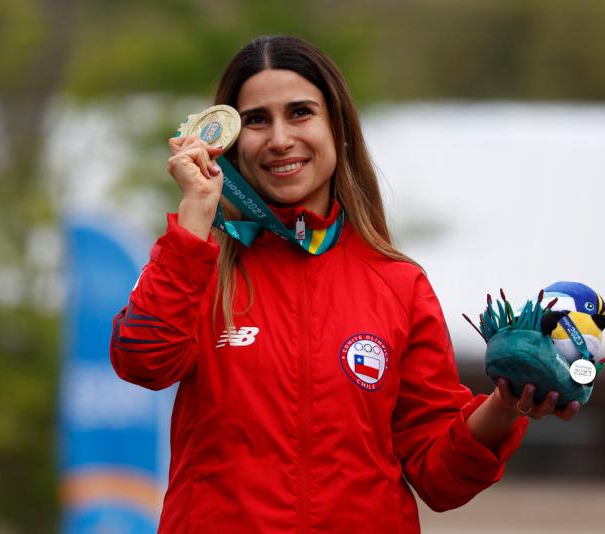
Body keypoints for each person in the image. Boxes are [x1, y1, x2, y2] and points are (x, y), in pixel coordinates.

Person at [110, 35, 579, 533]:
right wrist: (196, 217)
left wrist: (505, 405)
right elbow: (144, 362)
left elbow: (440, 477)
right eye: (256, 120)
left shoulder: (399, 284)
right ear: (226, 141)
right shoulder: (197, 263)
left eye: (300, 113)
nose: (279, 139)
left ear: (339, 128)